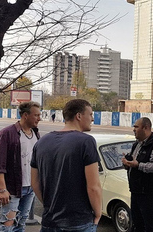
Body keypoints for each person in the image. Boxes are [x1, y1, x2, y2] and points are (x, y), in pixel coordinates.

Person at [30, 99, 101, 232]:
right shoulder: (86, 142)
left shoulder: (42, 142)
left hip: (49, 221)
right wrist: (97, 213)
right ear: (79, 116)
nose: (92, 119)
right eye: (90, 114)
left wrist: (49, 205)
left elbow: (35, 183)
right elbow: (93, 187)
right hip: (78, 221)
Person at [0, 101, 41, 231]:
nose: (39, 118)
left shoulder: (35, 133)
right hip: (12, 189)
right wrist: (2, 189)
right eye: (36, 115)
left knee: (21, 224)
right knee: (7, 225)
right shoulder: (7, 134)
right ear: (25, 115)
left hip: (30, 188)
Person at [122, 117, 153, 232]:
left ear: (145, 128)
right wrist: (127, 163)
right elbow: (134, 162)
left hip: (148, 194)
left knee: (150, 225)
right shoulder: (137, 144)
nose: (133, 129)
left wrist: (138, 165)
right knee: (137, 224)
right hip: (136, 191)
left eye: (136, 127)